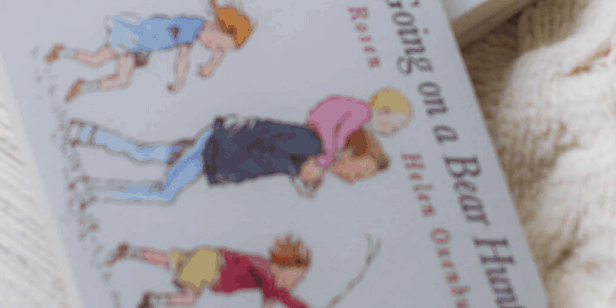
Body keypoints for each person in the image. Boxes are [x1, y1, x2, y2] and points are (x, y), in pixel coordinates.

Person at [69, 104, 392, 205]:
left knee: (143, 153)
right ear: (349, 152)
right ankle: (92, 190)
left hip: (215, 147)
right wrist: (296, 170)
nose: (354, 181)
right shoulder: (312, 143)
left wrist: (299, 174)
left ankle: (84, 133)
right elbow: (262, 133)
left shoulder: (312, 153)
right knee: (165, 192)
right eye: (360, 172)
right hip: (214, 149)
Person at [44, 0, 253, 101]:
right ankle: (63, 52)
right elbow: (182, 59)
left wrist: (212, 65)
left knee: (122, 79)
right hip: (132, 37)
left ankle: (82, 86)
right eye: (218, 46)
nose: (215, 50)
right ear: (217, 28)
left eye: (221, 49)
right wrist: (180, 81)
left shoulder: (202, 30)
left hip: (138, 46)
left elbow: (220, 51)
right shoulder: (191, 29)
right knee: (96, 61)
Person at [109, 234, 319, 308]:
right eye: (296, 277)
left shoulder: (264, 269)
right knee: (190, 299)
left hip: (208, 257)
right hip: (211, 267)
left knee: (167, 260)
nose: (295, 283)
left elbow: (271, 292)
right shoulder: (266, 272)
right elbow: (277, 293)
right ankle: (153, 300)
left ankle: (130, 251)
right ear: (285, 267)